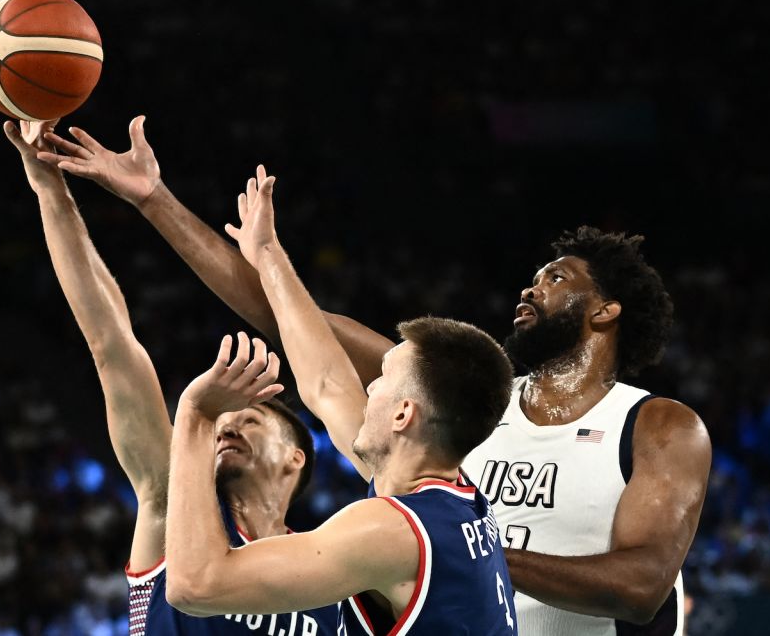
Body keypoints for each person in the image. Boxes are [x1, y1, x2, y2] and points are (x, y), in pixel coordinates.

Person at [42, 120, 712, 636]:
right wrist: (186, 215)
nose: (529, 289)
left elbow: (643, 584)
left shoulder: (401, 530)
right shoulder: (461, 464)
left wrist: (192, 418)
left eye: (385, 378)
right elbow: (315, 362)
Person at [3, 119, 340, 636]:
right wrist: (50, 189)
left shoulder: (331, 570)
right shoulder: (172, 510)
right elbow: (111, 343)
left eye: (249, 419)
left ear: (297, 455)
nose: (227, 427)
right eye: (225, 420)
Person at [163, 196, 516, 631]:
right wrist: (268, 252)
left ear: (404, 415)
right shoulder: (450, 493)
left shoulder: (391, 533)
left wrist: (196, 416)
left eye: (383, 377)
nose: (368, 387)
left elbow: (195, 586)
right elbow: (326, 383)